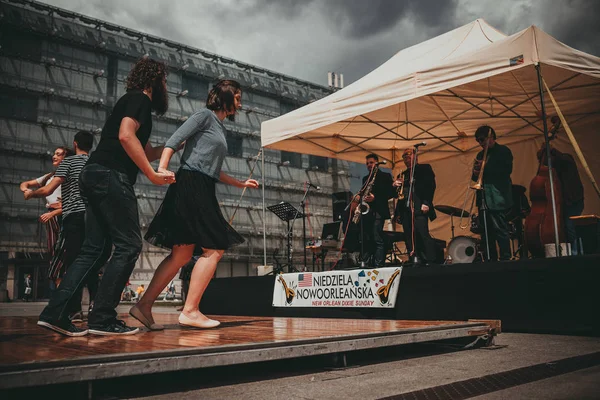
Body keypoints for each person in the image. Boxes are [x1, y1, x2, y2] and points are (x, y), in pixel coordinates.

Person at [37, 57, 175, 337]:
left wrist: (174, 145)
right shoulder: (140, 99)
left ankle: (55, 313)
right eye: (164, 81)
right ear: (155, 80)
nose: (165, 87)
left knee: (94, 250)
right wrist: (151, 174)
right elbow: (126, 137)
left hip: (95, 174)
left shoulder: (130, 102)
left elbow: (143, 148)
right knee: (129, 245)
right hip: (111, 176)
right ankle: (102, 318)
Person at [130, 79, 259, 331]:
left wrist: (241, 184)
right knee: (215, 248)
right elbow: (172, 141)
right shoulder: (204, 116)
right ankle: (189, 311)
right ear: (225, 95)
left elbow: (215, 171)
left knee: (182, 254)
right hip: (191, 184)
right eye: (237, 96)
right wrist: (163, 167)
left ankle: (143, 306)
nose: (240, 102)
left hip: (201, 184)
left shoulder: (220, 128)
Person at [24, 131, 97, 322]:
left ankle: (74, 309)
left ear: (75, 144)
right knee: (90, 261)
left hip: (73, 217)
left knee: (73, 264)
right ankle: (95, 306)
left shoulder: (69, 163)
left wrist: (31, 194)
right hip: (93, 218)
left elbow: (48, 189)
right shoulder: (94, 163)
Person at [20, 146, 72, 287]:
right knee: (53, 251)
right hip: (50, 216)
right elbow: (26, 183)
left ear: (66, 159)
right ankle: (59, 287)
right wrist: (26, 189)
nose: (54, 156)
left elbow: (47, 191)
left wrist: (31, 194)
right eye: (54, 153)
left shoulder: (69, 175)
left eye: (58, 154)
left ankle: (63, 288)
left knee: (62, 252)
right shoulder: (50, 176)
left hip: (62, 215)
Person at [472, 125, 513, 261]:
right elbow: (475, 177)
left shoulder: (503, 151)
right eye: (478, 141)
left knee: (500, 230)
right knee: (486, 233)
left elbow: (506, 171)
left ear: (491, 138)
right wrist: (476, 171)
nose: (480, 143)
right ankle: (491, 260)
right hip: (484, 198)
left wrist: (485, 167)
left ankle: (506, 258)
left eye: (482, 140)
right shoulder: (479, 154)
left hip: (497, 197)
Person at [537, 144, 585, 254]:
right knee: (567, 228)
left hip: (573, 201)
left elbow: (563, 159)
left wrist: (552, 149)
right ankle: (569, 252)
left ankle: (576, 253)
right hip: (563, 203)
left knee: (570, 227)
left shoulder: (567, 159)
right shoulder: (554, 169)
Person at [393, 148, 438, 264]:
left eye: (408, 156)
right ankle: (414, 259)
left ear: (415, 156)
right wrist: (394, 185)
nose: (406, 160)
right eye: (404, 158)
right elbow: (397, 195)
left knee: (422, 234)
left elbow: (431, 186)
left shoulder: (424, 168)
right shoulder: (402, 175)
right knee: (409, 236)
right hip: (405, 210)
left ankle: (430, 260)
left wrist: (426, 203)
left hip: (419, 207)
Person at [357, 153, 395, 268]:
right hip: (367, 213)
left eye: (371, 163)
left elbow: (391, 193)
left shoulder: (385, 176)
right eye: (367, 163)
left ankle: (379, 264)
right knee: (367, 238)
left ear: (377, 163)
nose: (369, 165)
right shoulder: (365, 178)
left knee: (377, 237)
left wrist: (375, 198)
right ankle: (367, 263)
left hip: (379, 211)